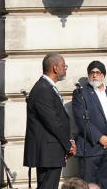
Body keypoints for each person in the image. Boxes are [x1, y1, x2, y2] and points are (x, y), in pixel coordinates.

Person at [24, 53, 76, 189]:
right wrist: (68, 145)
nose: (65, 69)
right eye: (64, 66)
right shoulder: (43, 89)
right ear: (55, 68)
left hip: (53, 150)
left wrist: (70, 140)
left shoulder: (48, 87)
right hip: (48, 152)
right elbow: (53, 122)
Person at [72, 60, 107, 189]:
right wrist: (100, 138)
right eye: (91, 73)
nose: (94, 75)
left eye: (98, 72)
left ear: (103, 75)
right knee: (88, 185)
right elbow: (82, 120)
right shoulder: (81, 93)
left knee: (106, 184)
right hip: (91, 148)